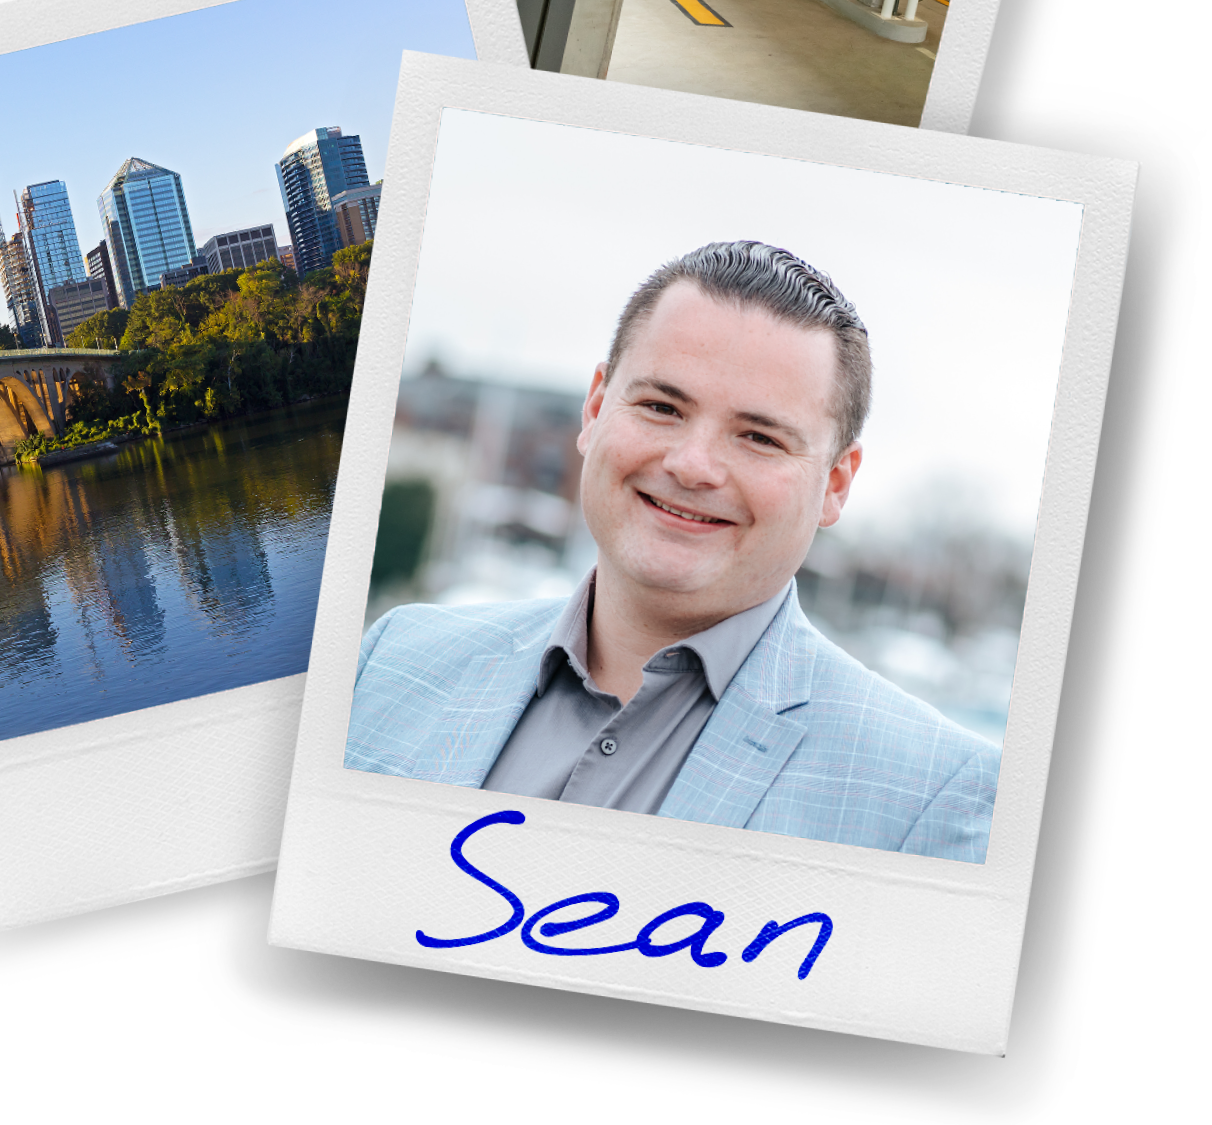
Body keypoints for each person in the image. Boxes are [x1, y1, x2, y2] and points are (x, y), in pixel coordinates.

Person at [346, 241, 1000, 862]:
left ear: (835, 484)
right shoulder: (392, 660)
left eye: (760, 438)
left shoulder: (934, 799)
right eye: (662, 406)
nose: (692, 466)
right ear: (596, 409)